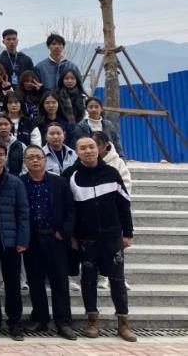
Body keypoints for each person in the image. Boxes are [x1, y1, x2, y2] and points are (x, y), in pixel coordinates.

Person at [63, 136, 136, 342]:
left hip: (112, 236)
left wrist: (128, 233)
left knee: (117, 280)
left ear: (99, 149)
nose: (88, 151)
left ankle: (123, 322)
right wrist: (72, 235)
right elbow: (68, 210)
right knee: (88, 280)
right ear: (77, 152)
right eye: (83, 148)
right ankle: (92, 320)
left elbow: (124, 204)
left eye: (91, 147)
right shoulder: (70, 175)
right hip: (86, 238)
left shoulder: (112, 173)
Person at [20, 144, 78, 340]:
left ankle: (63, 322)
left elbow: (71, 210)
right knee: (35, 281)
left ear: (45, 160)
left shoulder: (59, 182)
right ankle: (40, 318)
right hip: (32, 239)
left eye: (39, 157)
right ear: (25, 162)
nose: (35, 160)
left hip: (55, 238)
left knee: (59, 281)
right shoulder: (19, 183)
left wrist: (64, 232)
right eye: (30, 157)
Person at [0, 140, 29, 340]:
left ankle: (15, 323)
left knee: (12, 284)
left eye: (1, 154)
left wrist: (22, 239)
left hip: (9, 241)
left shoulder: (15, 182)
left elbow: (23, 212)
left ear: (5, 157)